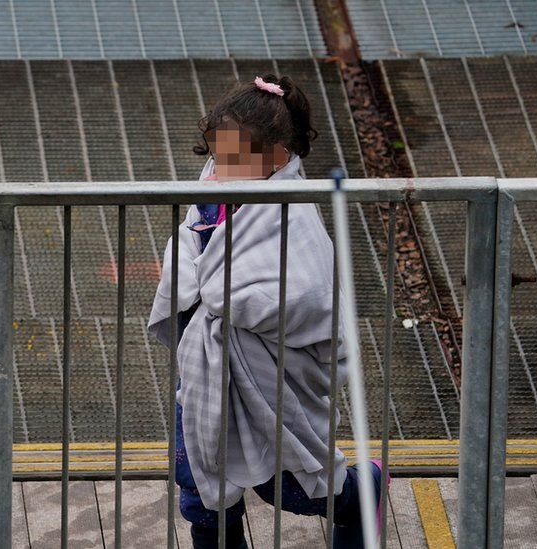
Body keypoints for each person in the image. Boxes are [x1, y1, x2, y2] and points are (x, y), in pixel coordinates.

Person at [148, 75, 386, 549]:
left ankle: (366, 492)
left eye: (237, 158)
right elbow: (188, 251)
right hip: (207, 373)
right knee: (201, 493)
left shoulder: (293, 216)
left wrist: (220, 293)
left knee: (293, 488)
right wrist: (193, 276)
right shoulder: (212, 197)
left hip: (273, 379)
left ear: (278, 156)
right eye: (218, 155)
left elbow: (305, 297)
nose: (222, 169)